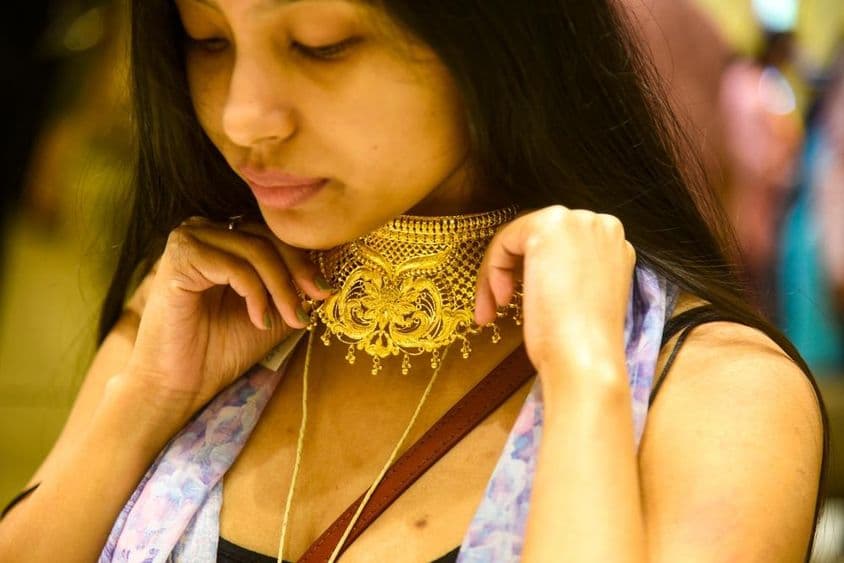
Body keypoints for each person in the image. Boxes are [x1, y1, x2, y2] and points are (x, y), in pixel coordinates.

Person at [0, 1, 827, 561]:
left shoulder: (716, 394)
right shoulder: (197, 308)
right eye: (207, 40)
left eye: (323, 43)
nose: (244, 115)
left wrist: (585, 388)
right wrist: (142, 405)